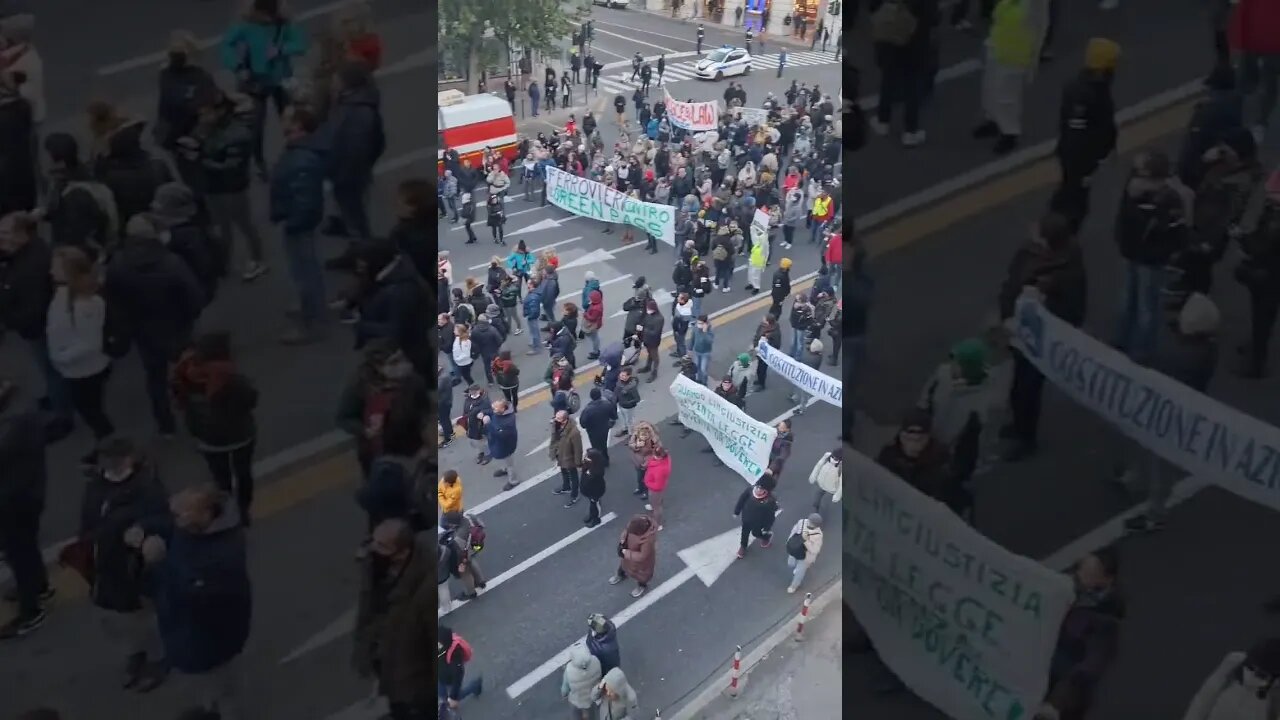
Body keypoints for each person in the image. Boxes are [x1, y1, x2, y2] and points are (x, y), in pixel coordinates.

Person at [148, 484, 252, 719]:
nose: (175, 520)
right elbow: (167, 526)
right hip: (189, 634)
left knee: (223, 692)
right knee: (211, 692)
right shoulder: (194, 529)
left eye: (180, 514)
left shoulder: (221, 555)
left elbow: (189, 596)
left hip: (210, 641)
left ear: (206, 514)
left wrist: (159, 563)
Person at [76, 437, 171, 686]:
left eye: (116, 457)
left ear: (129, 458)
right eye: (106, 457)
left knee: (144, 618)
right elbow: (88, 519)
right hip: (105, 566)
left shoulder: (146, 487)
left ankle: (158, 658)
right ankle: (136, 654)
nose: (110, 463)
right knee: (116, 619)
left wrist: (142, 531)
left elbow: (163, 521)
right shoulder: (97, 485)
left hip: (134, 566)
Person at [105, 215, 207, 438]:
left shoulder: (117, 265)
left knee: (155, 378)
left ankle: (165, 425)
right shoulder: (171, 263)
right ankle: (197, 418)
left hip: (144, 332)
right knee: (190, 374)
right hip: (178, 327)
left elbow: (113, 302)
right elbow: (194, 297)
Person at [998, 212, 1086, 461]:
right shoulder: (1031, 252)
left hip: (1039, 338)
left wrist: (1041, 299)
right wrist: (1007, 314)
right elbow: (1011, 281)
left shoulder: (1066, 272)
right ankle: (1017, 424)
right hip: (1019, 329)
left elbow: (1070, 311)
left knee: (1029, 387)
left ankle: (1027, 436)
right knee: (1018, 385)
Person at [171, 333, 260, 524]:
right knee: (243, 474)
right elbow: (251, 400)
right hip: (240, 436)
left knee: (221, 480)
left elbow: (180, 403)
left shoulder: (184, 377)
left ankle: (227, 513)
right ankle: (243, 512)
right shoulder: (233, 379)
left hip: (208, 440)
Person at [1112, 150, 1191, 364]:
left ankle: (1142, 352)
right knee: (1129, 300)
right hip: (1133, 253)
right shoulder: (1133, 190)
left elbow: (1174, 231)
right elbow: (1123, 220)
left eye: (1139, 171)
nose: (1134, 175)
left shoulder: (1168, 199)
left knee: (1146, 306)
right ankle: (1122, 341)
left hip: (1151, 259)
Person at [352, 518, 434, 719]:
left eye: (381, 546)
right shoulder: (376, 568)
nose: (373, 548)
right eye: (374, 541)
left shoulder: (425, 590)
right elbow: (369, 611)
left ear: (402, 553)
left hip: (415, 686)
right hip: (391, 667)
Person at [0, 210, 70, 437]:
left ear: (23, 234)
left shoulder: (29, 267)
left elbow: (33, 310)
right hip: (39, 326)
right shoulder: (30, 250)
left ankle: (62, 416)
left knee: (52, 369)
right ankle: (56, 399)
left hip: (38, 329)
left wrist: (9, 320)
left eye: (6, 232)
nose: (1, 237)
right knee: (49, 369)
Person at [219, 0, 307, 177]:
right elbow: (226, 46)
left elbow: (301, 45)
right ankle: (259, 160)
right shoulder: (245, 25)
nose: (267, 19)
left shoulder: (283, 23)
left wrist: (281, 49)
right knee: (255, 126)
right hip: (254, 81)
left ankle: (297, 152)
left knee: (291, 118)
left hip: (280, 79)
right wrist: (237, 66)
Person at [1037, 548, 1125, 720]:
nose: (1078, 575)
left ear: (1106, 579)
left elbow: (1089, 668)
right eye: (1080, 569)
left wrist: (1056, 703)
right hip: (1042, 681)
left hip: (1063, 699)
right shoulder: (1069, 595)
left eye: (1088, 573)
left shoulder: (1105, 623)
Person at [47, 246, 115, 466]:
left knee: (93, 413)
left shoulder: (86, 304)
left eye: (55, 267)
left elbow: (91, 344)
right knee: (91, 411)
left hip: (86, 370)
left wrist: (61, 357)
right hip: (76, 369)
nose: (50, 271)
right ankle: (106, 446)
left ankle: (109, 449)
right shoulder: (64, 294)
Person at [269, 105, 328, 345]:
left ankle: (310, 322)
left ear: (299, 128)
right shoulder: (300, 150)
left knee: (304, 272)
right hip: (296, 219)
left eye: (288, 119)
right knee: (305, 269)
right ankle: (311, 310)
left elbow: (306, 199)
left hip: (298, 222)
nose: (283, 122)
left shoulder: (302, 158)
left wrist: (293, 222)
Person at [1051, 38, 1120, 231]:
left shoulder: (1090, 85)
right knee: (1075, 199)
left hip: (1080, 156)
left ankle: (1057, 222)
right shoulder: (1087, 93)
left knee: (1070, 192)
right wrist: (1088, 164)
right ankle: (1061, 232)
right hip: (1080, 159)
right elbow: (1077, 136)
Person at [0, 385, 50, 640]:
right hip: (25, 493)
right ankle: (39, 587)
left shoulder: (14, 423)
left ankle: (31, 611)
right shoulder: (21, 411)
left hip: (15, 499)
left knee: (19, 553)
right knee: (26, 547)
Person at [973, 0, 1048, 155]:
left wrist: (1034, 58)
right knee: (990, 88)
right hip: (998, 46)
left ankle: (1010, 132)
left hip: (1016, 52)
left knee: (1006, 95)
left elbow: (1040, 25)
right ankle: (993, 120)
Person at [324, 61, 386, 244]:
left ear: (346, 83)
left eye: (336, 80)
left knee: (355, 216)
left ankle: (364, 253)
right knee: (351, 213)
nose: (332, 84)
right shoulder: (350, 103)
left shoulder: (357, 111)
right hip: (348, 171)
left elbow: (358, 148)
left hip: (349, 174)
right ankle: (358, 248)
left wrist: (342, 173)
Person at [869, 0, 940, 147]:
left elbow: (873, 6)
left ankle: (883, 120)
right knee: (913, 87)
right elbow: (934, 18)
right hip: (916, 44)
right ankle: (910, 131)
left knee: (888, 80)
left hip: (890, 41)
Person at [1181, 638, 1280, 719]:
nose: (1251, 675)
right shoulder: (1233, 664)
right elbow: (1204, 698)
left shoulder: (1274, 694)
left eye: (1260, 675)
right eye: (1250, 667)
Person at [437, 624, 484, 709]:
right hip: (440, 676)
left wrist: (453, 697)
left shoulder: (455, 655)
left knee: (452, 698)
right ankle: (447, 701)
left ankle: (475, 685)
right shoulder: (441, 649)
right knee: (442, 694)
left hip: (448, 679)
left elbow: (458, 677)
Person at [610, 513, 657, 598]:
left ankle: (642, 586)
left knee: (641, 575)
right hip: (629, 554)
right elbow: (626, 531)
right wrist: (622, 540)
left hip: (641, 563)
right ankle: (621, 575)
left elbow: (642, 556)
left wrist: (625, 552)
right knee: (623, 565)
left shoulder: (647, 541)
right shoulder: (635, 522)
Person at [734, 476, 779, 559]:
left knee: (756, 533)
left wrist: (766, 528)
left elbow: (770, 517)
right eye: (758, 487)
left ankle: (766, 537)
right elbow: (741, 500)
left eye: (761, 489)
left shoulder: (769, 501)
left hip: (758, 523)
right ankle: (743, 546)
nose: (758, 490)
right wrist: (737, 511)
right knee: (744, 533)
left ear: (766, 490)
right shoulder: (750, 491)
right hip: (746, 518)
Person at [550, 409, 585, 507]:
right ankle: (566, 486)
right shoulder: (556, 425)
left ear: (565, 420)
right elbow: (554, 439)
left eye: (558, 418)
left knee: (573, 475)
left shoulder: (574, 432)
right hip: (560, 455)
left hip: (569, 458)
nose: (555, 420)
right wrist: (553, 452)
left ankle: (575, 494)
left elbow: (578, 449)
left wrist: (578, 462)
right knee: (563, 470)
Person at [784, 513, 824, 593]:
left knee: (799, 571)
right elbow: (793, 531)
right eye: (810, 521)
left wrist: (806, 541)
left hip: (806, 556)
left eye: (812, 523)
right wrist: (789, 541)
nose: (810, 523)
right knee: (790, 564)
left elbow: (815, 550)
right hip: (795, 550)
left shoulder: (818, 535)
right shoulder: (801, 522)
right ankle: (801, 569)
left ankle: (794, 586)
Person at [562, 641, 602, 720]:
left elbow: (565, 690)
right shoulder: (596, 661)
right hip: (592, 698)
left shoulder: (569, 670)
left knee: (576, 716)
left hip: (577, 701)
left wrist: (564, 694)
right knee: (592, 715)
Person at [808, 446, 843, 514]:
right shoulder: (827, 456)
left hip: (833, 488)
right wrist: (813, 477)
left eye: (835, 458)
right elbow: (818, 465)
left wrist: (837, 496)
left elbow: (841, 483)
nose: (833, 459)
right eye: (833, 456)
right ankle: (815, 511)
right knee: (816, 500)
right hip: (822, 484)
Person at [752, 314, 783, 390]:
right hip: (759, 350)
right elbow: (757, 335)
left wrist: (767, 342)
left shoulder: (775, 332)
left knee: (763, 369)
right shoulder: (762, 326)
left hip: (766, 353)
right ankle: (759, 380)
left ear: (768, 322)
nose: (763, 319)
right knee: (759, 367)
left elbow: (776, 344)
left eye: (765, 319)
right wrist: (755, 345)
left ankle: (762, 384)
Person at [643, 446, 670, 530]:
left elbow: (657, 485)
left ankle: (658, 523)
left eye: (655, 455)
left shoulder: (660, 469)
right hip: (655, 486)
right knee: (657, 501)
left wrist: (647, 483)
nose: (653, 456)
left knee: (657, 507)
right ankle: (653, 505)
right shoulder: (664, 460)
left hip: (655, 489)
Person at [580, 447, 608, 528]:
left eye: (588, 456)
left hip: (595, 491)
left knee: (595, 505)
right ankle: (591, 515)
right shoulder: (588, 464)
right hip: (588, 490)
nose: (585, 457)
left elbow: (593, 480)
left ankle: (596, 519)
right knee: (592, 504)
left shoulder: (597, 470)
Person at [614, 367, 641, 437]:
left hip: (628, 407)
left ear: (629, 376)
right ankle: (624, 429)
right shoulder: (619, 382)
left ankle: (631, 434)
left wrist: (628, 402)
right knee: (622, 418)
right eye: (621, 375)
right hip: (620, 404)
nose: (621, 377)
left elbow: (637, 398)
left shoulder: (632, 387)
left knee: (630, 421)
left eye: (624, 375)